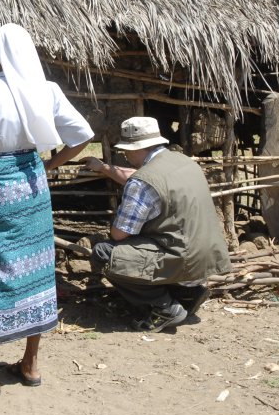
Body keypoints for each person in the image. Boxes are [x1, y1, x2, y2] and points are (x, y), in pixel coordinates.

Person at [0, 23, 94, 398]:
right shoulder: (46, 92)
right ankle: (30, 364)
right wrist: (48, 166)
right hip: (33, 189)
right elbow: (82, 136)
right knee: (35, 272)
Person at [81, 116, 232, 333]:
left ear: (135, 148)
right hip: (207, 256)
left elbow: (119, 234)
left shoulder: (142, 182)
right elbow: (146, 179)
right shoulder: (183, 162)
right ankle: (186, 292)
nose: (124, 154)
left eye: (126, 150)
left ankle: (164, 307)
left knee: (105, 252)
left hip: (182, 258)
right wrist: (104, 167)